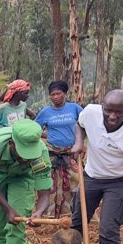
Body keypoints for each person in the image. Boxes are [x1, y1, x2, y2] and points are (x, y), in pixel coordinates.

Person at [51, 90, 123, 244]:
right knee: (76, 221)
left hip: (117, 181)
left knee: (108, 227)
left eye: (118, 112)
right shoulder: (91, 112)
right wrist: (79, 142)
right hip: (92, 176)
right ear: (102, 106)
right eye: (108, 110)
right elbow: (80, 125)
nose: (112, 116)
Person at [34, 80, 83, 216]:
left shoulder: (75, 108)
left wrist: (80, 144)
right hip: (52, 154)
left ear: (65, 94)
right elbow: (35, 130)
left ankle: (75, 215)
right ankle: (49, 215)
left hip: (71, 153)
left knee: (76, 183)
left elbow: (85, 125)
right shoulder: (45, 112)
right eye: (53, 94)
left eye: (58, 94)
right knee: (50, 185)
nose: (55, 97)